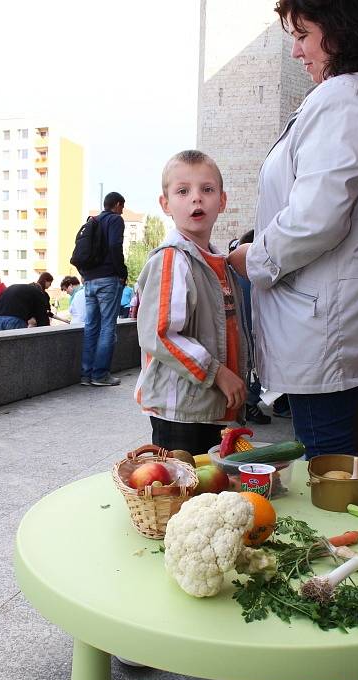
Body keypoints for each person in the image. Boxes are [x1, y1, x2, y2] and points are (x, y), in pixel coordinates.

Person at [228, 0, 358, 468]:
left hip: (326, 323)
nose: (296, 51)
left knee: (330, 468)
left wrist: (254, 258)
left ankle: (350, 544)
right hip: (352, 316)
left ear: (342, 29)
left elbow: (314, 220)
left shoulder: (346, 97)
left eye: (303, 35)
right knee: (354, 464)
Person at [135, 149, 247, 455]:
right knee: (182, 492)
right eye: (183, 191)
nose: (196, 198)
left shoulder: (217, 263)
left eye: (207, 190)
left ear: (222, 201)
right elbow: (161, 333)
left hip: (209, 407)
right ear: (166, 204)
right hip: (181, 412)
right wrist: (219, 374)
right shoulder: (173, 258)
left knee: (210, 490)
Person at [79, 191, 127, 386]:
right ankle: (100, 375)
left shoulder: (94, 221)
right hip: (108, 279)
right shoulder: (115, 220)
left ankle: (86, 374)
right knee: (108, 326)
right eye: (122, 207)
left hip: (89, 280)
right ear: (116, 204)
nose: (122, 211)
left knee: (91, 327)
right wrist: (122, 272)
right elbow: (115, 246)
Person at [229, 231, 270, 425]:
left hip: (244, 335)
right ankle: (249, 402)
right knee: (262, 375)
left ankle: (247, 403)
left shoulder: (235, 275)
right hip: (251, 334)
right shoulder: (250, 276)